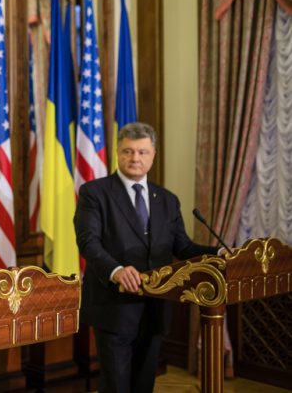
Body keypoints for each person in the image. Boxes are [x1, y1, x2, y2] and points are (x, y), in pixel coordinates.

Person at [74, 122, 221, 393]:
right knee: (116, 386)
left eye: (142, 152)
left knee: (144, 385)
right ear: (118, 153)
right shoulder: (94, 193)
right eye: (128, 151)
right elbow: (88, 243)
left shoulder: (167, 199)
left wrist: (221, 253)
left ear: (153, 155)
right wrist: (116, 270)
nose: (135, 158)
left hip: (156, 307)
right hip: (114, 308)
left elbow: (183, 248)